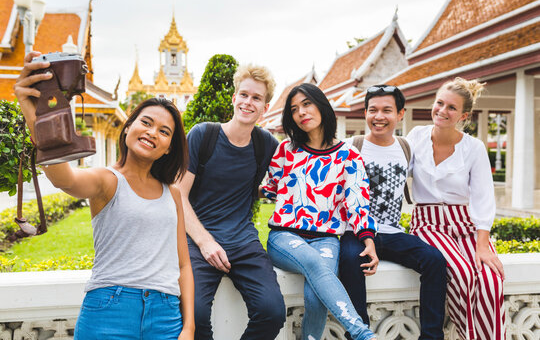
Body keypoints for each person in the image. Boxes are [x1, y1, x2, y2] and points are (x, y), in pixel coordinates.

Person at [14, 52, 195, 340]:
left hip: (166, 314)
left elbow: (183, 264)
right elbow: (64, 178)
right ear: (128, 128)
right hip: (110, 309)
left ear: (169, 147)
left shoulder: (171, 194)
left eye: (164, 131)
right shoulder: (107, 180)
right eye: (145, 123)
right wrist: (33, 111)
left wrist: (189, 327)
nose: (152, 133)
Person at [177, 64, 285, 340]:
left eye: (257, 98)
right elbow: (178, 195)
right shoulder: (204, 135)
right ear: (234, 97)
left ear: (266, 107)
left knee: (272, 312)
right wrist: (205, 241)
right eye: (244, 95)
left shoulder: (266, 144)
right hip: (198, 240)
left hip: (243, 240)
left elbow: (295, 177)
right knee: (195, 315)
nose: (249, 102)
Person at [261, 83, 377, 340]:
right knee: (315, 265)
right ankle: (363, 334)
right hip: (285, 236)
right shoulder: (286, 150)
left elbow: (357, 202)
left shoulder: (349, 154)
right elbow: (270, 188)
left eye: (306, 104)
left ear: (321, 106)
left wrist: (368, 241)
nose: (300, 112)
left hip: (326, 238)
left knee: (316, 297)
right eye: (294, 109)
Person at [339, 84, 447, 340]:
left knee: (435, 261)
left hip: (392, 232)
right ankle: (359, 333)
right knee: (350, 261)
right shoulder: (349, 148)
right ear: (364, 113)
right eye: (372, 110)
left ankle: (432, 336)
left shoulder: (406, 148)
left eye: (387, 110)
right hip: (355, 231)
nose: (379, 116)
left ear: (400, 114)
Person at [406, 77, 506, 340]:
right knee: (462, 273)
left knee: (490, 278)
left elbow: (484, 197)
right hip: (428, 223)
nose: (442, 111)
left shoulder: (474, 148)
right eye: (439, 103)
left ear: (464, 115)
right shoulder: (415, 137)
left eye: (451, 107)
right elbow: (392, 171)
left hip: (465, 223)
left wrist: (482, 245)